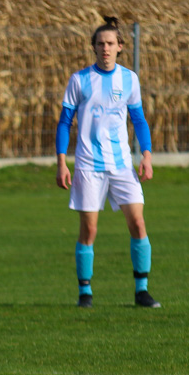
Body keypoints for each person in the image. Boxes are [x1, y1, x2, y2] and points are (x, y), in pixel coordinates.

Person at [55, 17, 160, 309]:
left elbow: (138, 120)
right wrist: (62, 163)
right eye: (100, 43)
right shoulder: (79, 80)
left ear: (120, 47)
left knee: (138, 223)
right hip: (88, 165)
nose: (105, 48)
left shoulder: (129, 79)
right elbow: (65, 123)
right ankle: (85, 293)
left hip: (122, 165)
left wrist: (147, 155)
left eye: (111, 43)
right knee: (89, 230)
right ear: (93, 47)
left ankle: (142, 291)